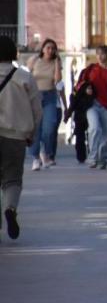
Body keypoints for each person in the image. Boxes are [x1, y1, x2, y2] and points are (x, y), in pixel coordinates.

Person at [0, 36, 43, 240]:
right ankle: (9, 208)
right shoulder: (24, 77)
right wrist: (30, 134)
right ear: (13, 54)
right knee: (12, 178)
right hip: (15, 136)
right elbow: (37, 110)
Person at [74, 45, 107, 170]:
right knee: (94, 129)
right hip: (91, 105)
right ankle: (92, 158)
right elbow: (80, 84)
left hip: (106, 106)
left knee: (106, 134)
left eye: (103, 54)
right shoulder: (91, 69)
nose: (100, 56)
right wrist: (86, 89)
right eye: (98, 54)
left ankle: (102, 158)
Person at [27, 38, 62, 170]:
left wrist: (58, 61)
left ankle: (44, 151)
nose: (50, 50)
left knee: (50, 127)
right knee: (35, 128)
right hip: (35, 96)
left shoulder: (56, 62)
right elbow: (27, 75)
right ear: (43, 49)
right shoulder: (34, 60)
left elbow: (57, 80)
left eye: (53, 48)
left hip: (50, 96)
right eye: (48, 47)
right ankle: (36, 158)